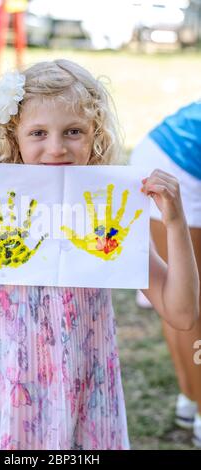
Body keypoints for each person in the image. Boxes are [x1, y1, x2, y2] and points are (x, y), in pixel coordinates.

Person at [0, 60, 199, 450]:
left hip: (85, 394)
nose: (56, 148)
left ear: (95, 136)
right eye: (39, 132)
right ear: (15, 137)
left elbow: (182, 314)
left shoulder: (110, 215)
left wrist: (175, 223)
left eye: (73, 131)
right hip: (7, 392)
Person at [130, 101, 201, 447]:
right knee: (189, 301)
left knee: (183, 297)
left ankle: (191, 399)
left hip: (164, 154)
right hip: (177, 168)